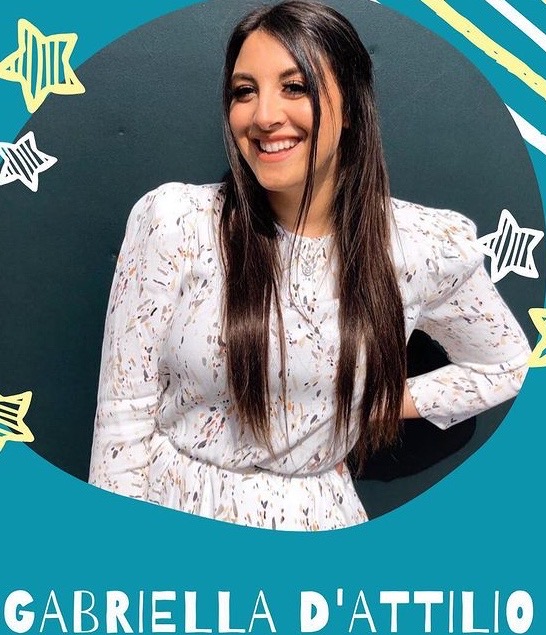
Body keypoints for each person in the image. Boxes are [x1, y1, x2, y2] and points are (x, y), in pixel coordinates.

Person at [89, 0, 530, 530]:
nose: (263, 116)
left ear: (352, 103)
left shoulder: (421, 246)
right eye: (244, 91)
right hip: (174, 509)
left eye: (294, 87)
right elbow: (123, 420)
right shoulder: (175, 223)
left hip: (314, 522)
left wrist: (368, 401)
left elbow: (504, 365)